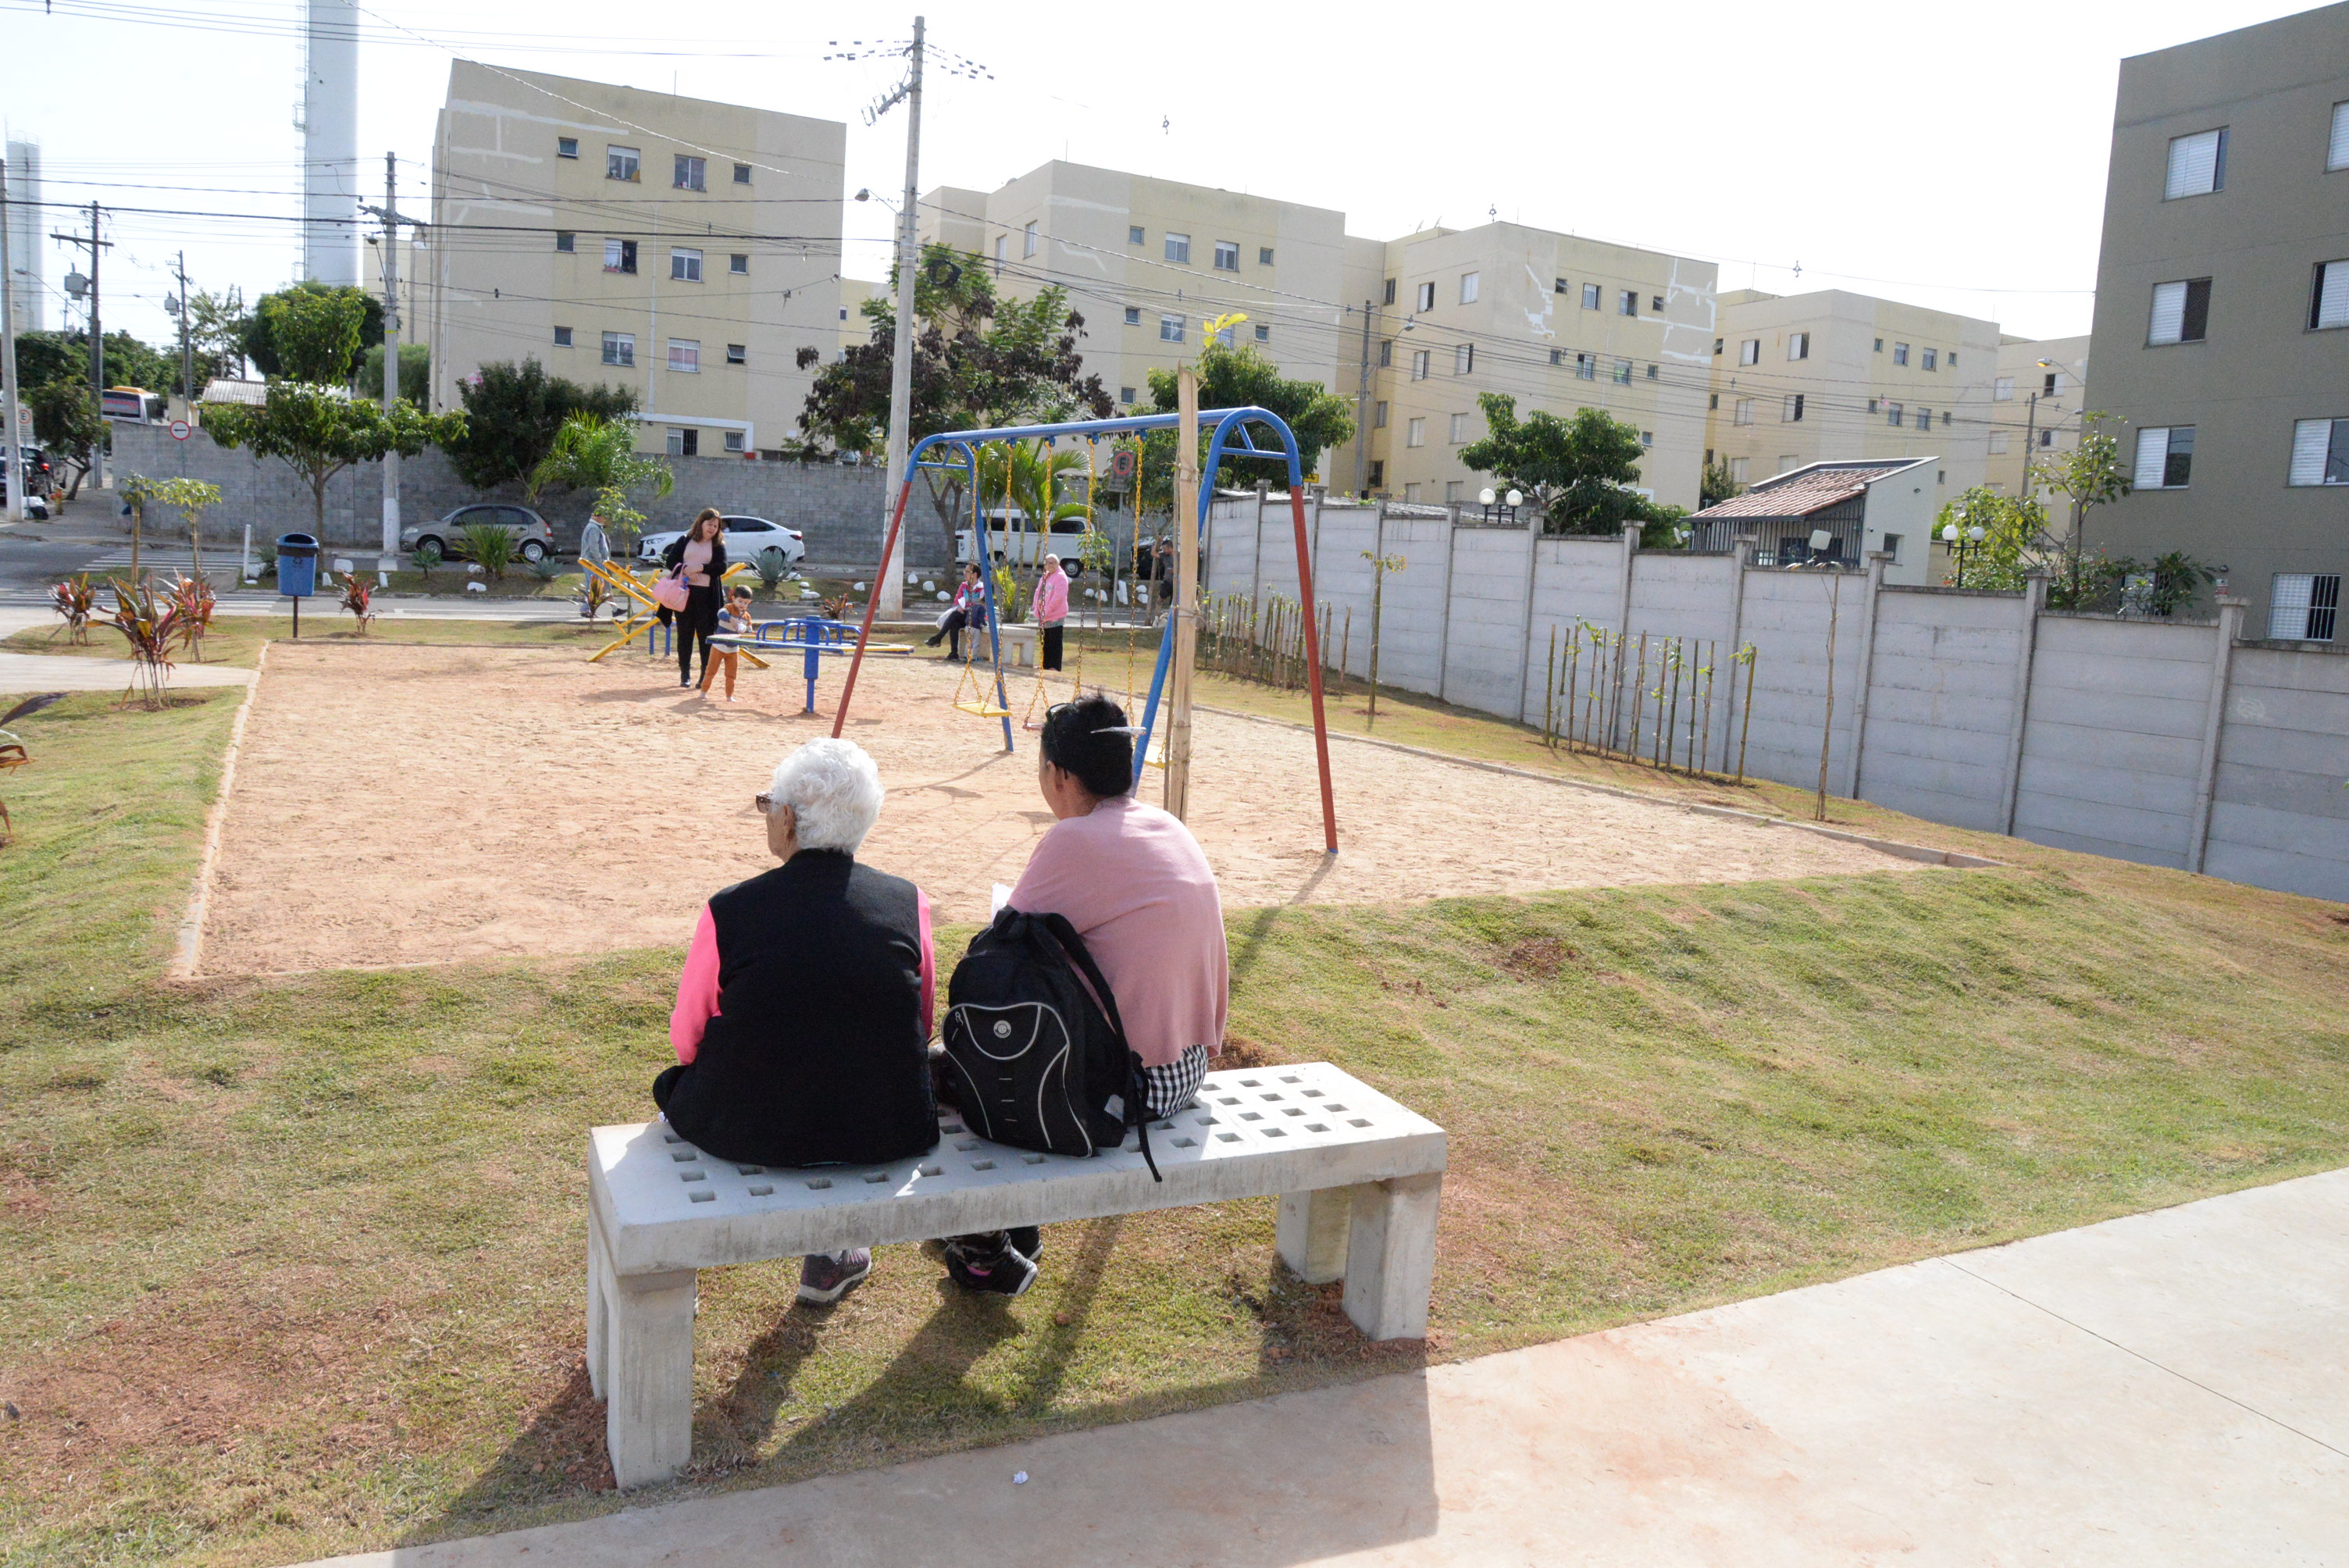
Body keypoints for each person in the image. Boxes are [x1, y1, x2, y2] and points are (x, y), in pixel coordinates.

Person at [940, 696, 1228, 1295]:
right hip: (1189, 1064)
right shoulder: (1168, 825)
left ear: (1061, 775)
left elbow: (1000, 943)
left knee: (978, 1048)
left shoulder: (1074, 840)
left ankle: (986, 1247)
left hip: (1133, 1087)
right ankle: (1010, 1235)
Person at [656, 738, 938, 1306]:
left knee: (677, 1082)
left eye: (767, 804)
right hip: (884, 1124)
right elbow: (921, 1021)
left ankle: (835, 1254)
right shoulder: (909, 901)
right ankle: (838, 1254)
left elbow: (687, 1040)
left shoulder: (731, 909)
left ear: (787, 819)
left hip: (749, 1127)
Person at [662, 508, 729, 689]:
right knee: (685, 635)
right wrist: (685, 570)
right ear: (701, 523)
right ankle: (685, 674)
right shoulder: (685, 540)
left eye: (716, 526)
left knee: (705, 636)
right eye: (710, 524)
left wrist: (700, 568)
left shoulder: (718, 545)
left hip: (707, 597)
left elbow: (722, 567)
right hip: (684, 595)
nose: (713, 528)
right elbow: (670, 561)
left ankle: (703, 675)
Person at [924, 562, 990, 660]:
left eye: (967, 572)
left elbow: (980, 604)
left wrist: (965, 605)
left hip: (975, 617)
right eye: (965, 571)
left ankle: (938, 638)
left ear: (975, 575)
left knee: (955, 615)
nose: (965, 573)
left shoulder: (982, 588)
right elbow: (957, 601)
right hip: (962, 614)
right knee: (954, 622)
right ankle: (954, 653)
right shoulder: (964, 586)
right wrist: (961, 606)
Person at [699, 584, 755, 701]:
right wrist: (731, 619)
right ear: (733, 598)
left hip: (733, 648)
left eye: (745, 603)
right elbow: (720, 614)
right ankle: (703, 691)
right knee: (711, 670)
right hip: (719, 646)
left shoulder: (747, 616)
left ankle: (729, 695)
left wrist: (749, 631)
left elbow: (749, 629)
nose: (742, 605)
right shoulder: (728, 608)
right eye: (740, 601)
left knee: (731, 674)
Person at [1032, 553, 1070, 672]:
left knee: (1054, 641)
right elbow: (1038, 592)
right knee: (1045, 641)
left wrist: (1047, 611)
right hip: (1044, 615)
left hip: (1055, 615)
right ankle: (1045, 665)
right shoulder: (1045, 576)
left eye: (1053, 562)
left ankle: (1054, 666)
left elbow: (1058, 597)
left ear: (1058, 564)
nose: (1050, 565)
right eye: (1048, 563)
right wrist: (1036, 608)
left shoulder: (1061, 577)